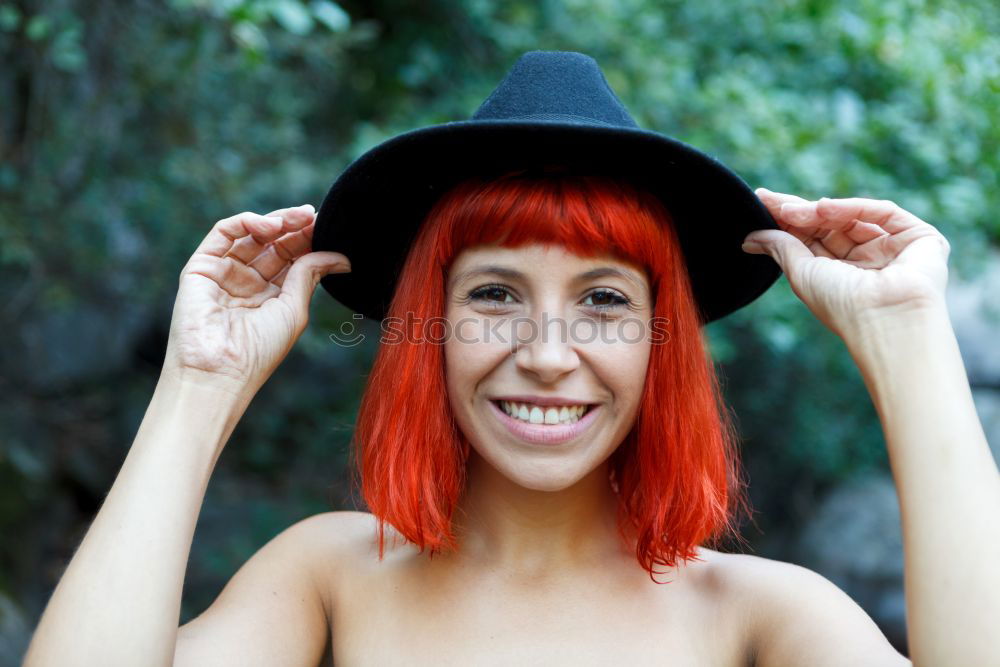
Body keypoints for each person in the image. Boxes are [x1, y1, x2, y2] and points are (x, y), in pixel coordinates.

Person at [24, 52, 999, 667]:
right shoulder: (328, 579)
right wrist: (200, 385)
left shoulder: (757, 616)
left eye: (605, 301)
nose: (545, 353)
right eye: (492, 294)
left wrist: (908, 338)